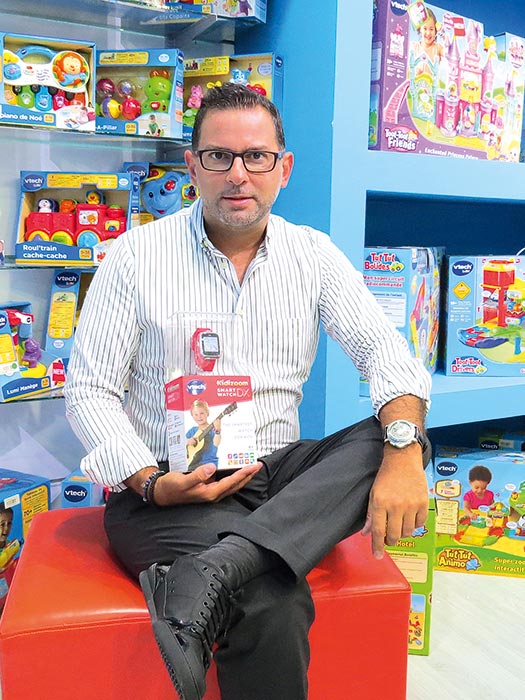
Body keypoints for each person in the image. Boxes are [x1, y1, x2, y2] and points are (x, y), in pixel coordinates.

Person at [64, 83, 432, 700]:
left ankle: (213, 569)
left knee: (398, 431)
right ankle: (233, 566)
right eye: (219, 156)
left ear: (283, 169)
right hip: (170, 487)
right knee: (271, 602)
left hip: (276, 478)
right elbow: (89, 391)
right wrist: (149, 482)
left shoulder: (312, 255)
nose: (238, 175)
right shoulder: (133, 257)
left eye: (256, 156)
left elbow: (387, 354)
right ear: (192, 166)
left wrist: (402, 449)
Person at [186, 400, 222, 471]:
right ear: (192, 416)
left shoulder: (213, 429)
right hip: (193, 464)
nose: (199, 417)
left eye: (202, 413)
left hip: (209, 464)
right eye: (196, 414)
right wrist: (188, 441)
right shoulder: (193, 430)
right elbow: (181, 443)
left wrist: (218, 430)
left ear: (207, 413)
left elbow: (216, 443)